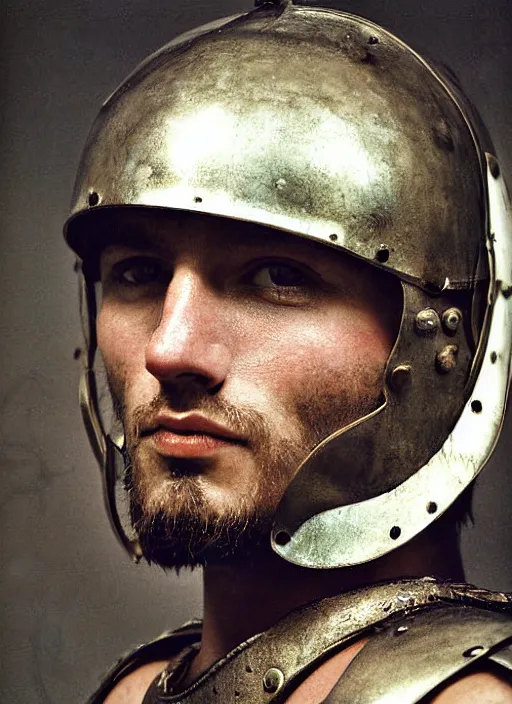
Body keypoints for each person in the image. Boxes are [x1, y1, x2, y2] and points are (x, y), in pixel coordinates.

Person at [64, 1, 512, 701]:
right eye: (138, 273)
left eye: (278, 277)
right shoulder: (134, 688)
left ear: (434, 341)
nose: (170, 349)